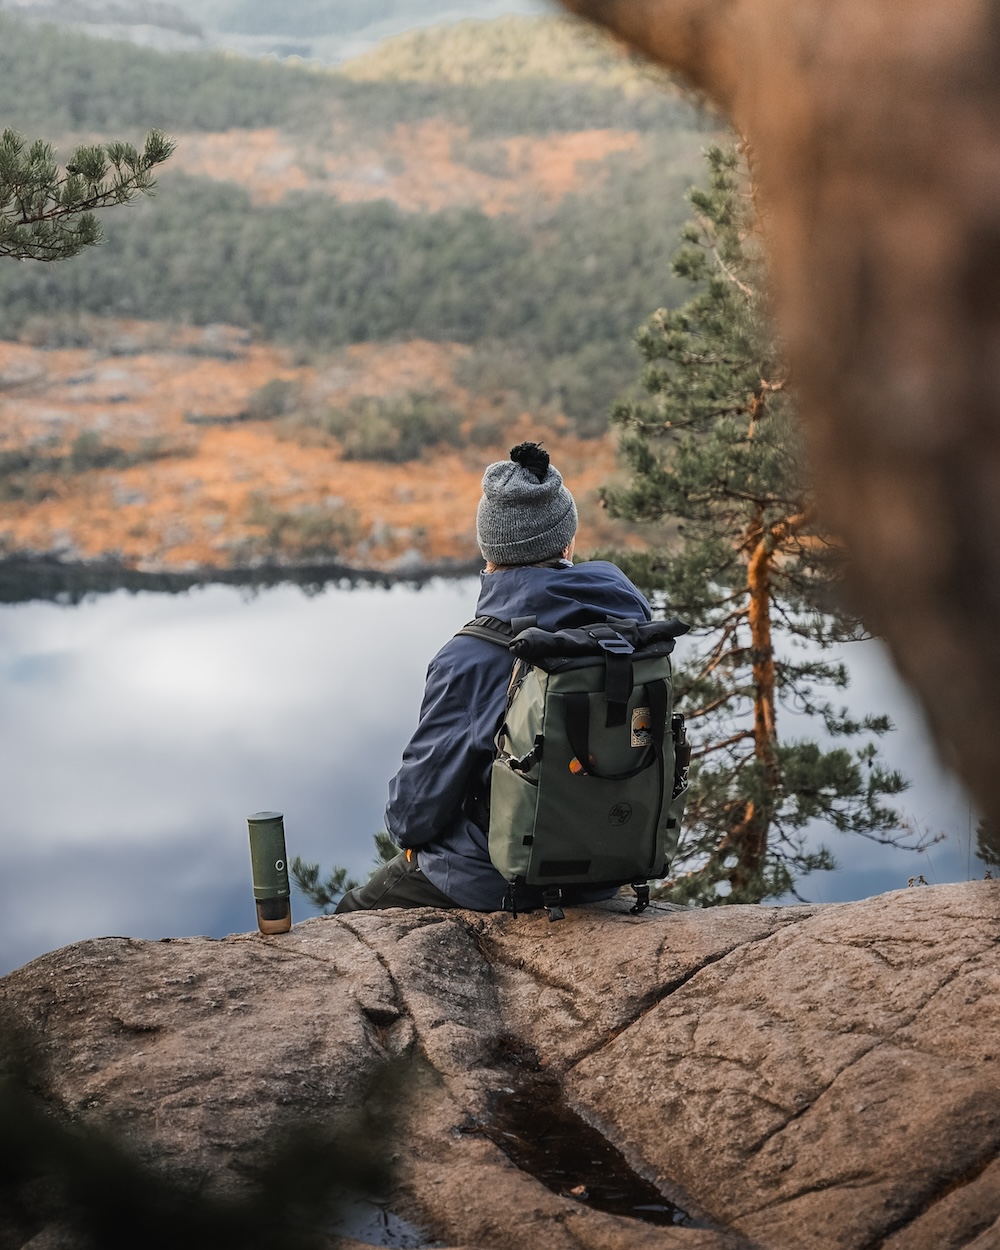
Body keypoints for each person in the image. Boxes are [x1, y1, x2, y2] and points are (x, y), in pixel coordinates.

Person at [335, 441, 653, 914]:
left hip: (494, 880)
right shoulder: (630, 629)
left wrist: (407, 832)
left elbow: (414, 814)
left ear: (489, 548)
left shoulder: (472, 656)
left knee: (351, 919)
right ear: (568, 541)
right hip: (607, 872)